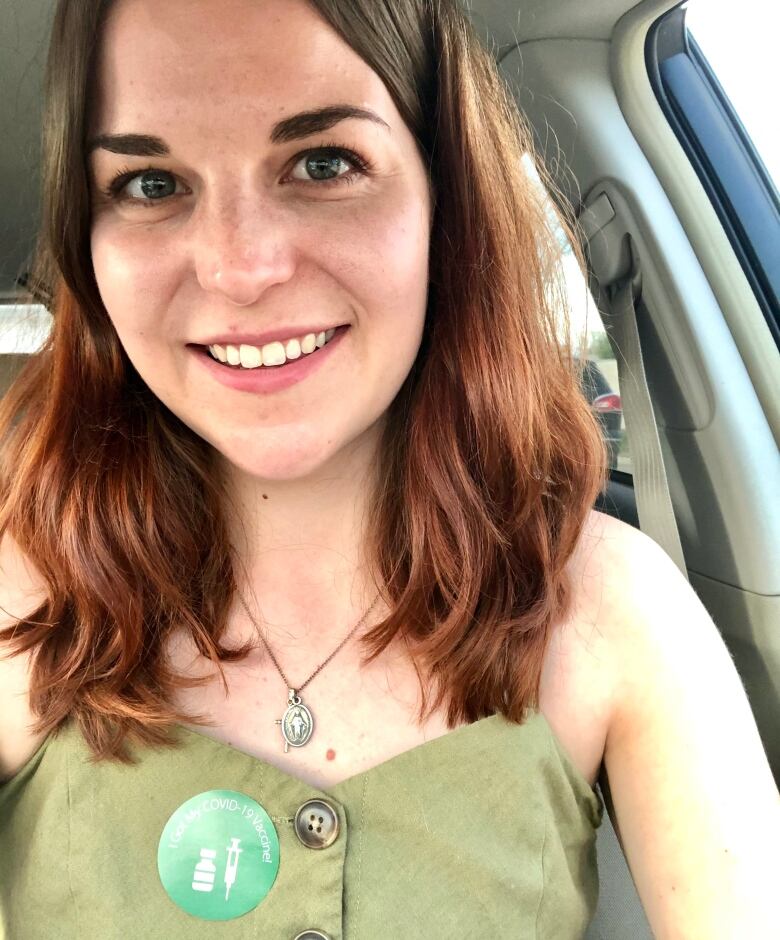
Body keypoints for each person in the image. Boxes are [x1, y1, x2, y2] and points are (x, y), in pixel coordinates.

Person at [0, 0, 777, 937]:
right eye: (150, 182)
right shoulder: (18, 598)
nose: (240, 267)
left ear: (444, 201)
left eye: (324, 164)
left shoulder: (610, 609)